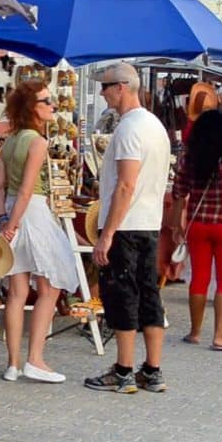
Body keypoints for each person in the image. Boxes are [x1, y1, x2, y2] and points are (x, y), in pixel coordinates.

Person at [83, 62, 171, 394]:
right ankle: (153, 368)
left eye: (105, 87)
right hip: (148, 222)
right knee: (149, 293)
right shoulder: (154, 125)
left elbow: (126, 185)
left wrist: (107, 234)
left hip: (126, 225)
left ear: (121, 87)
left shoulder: (130, 129)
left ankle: (123, 370)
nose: (102, 94)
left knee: (122, 294)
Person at [0, 81, 78, 384]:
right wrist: (14, 224)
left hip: (11, 212)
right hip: (32, 213)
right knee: (50, 287)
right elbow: (27, 191)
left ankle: (13, 364)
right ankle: (35, 359)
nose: (53, 105)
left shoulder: (10, 140)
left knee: (16, 292)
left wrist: (3, 220)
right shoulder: (37, 142)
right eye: (46, 101)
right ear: (33, 108)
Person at [169, 110, 222, 351]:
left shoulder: (190, 158)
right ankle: (220, 335)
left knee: (200, 278)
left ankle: (195, 332)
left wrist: (177, 225)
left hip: (199, 225)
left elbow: (179, 193)